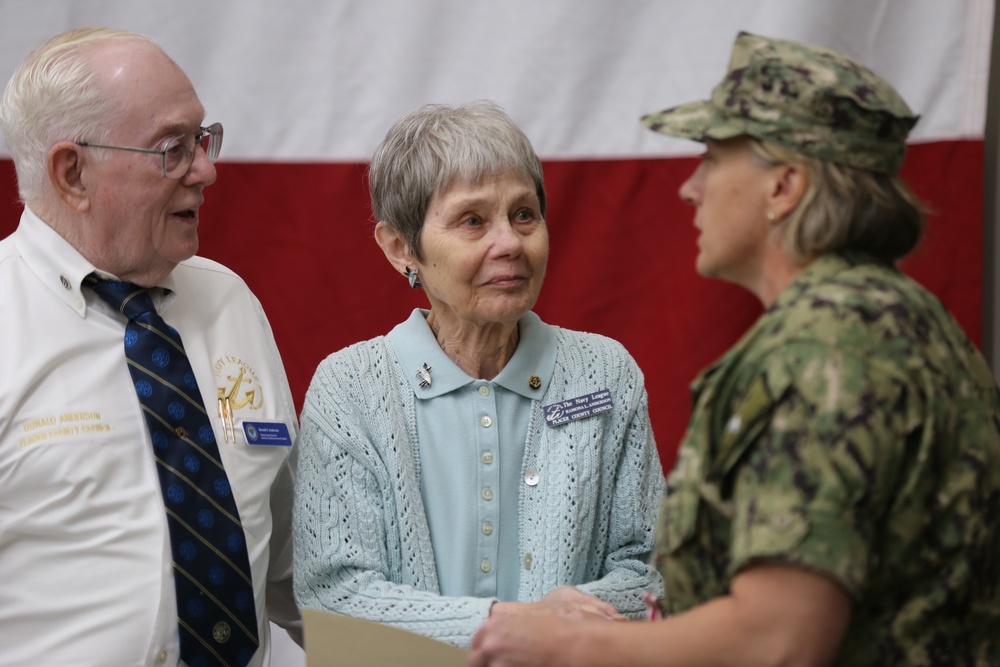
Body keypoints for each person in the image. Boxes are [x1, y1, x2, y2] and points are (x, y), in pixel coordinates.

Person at [469, 31, 1000, 667]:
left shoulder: (824, 353)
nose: (691, 188)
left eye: (714, 160)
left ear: (784, 187)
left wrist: (572, 643)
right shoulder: (897, 321)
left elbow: (780, 638)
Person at [292, 100, 664, 648]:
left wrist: (548, 632)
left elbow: (650, 574)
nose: (510, 243)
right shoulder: (349, 388)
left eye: (524, 214)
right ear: (400, 248)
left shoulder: (606, 374)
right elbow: (333, 598)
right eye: (472, 221)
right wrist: (514, 624)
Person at [0, 28, 301, 666]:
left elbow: (292, 572)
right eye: (173, 148)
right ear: (72, 172)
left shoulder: (229, 302)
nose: (207, 170)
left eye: (202, 138)